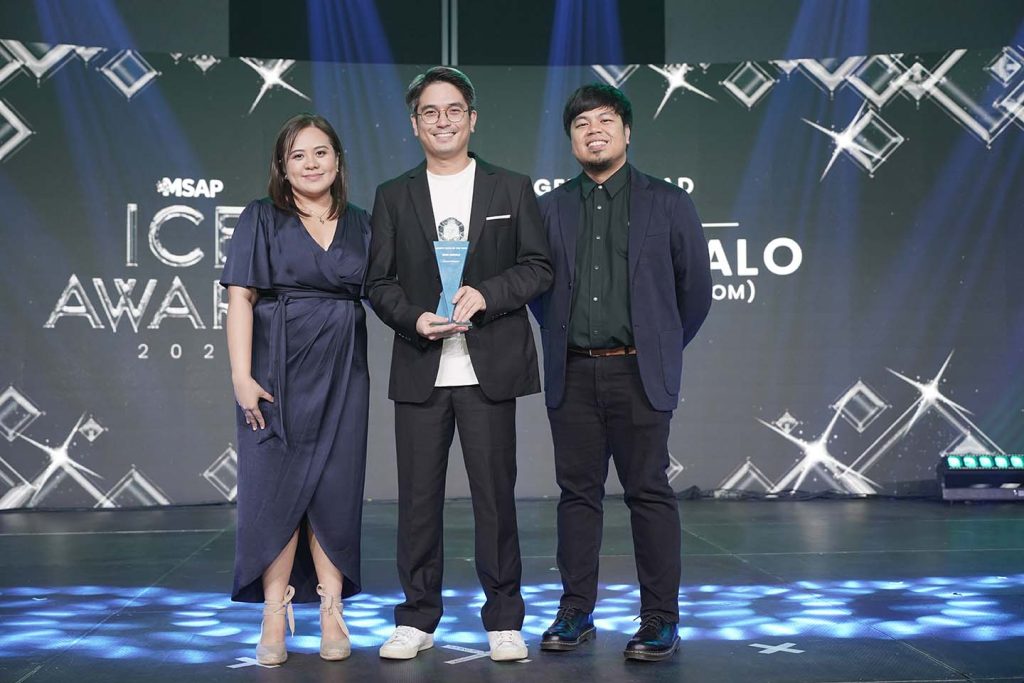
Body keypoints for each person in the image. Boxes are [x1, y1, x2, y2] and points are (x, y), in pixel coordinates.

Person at [365, 66, 552, 662]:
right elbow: (378, 282)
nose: (441, 121)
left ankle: (504, 620)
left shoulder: (511, 188)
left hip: (487, 368)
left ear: (472, 119)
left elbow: (538, 266)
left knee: (496, 500)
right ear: (414, 124)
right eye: (430, 112)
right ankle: (417, 618)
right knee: (418, 502)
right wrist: (414, 318)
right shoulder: (393, 195)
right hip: (422, 366)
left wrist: (488, 294)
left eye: (453, 110)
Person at [531, 84, 712, 662]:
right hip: (573, 373)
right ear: (571, 139)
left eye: (606, 120)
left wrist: (657, 347)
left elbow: (695, 292)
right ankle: (575, 611)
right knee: (576, 496)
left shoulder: (668, 203)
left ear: (627, 132)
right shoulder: (550, 209)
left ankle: (660, 618)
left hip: (639, 372)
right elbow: (539, 292)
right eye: (582, 123)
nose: (595, 131)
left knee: (649, 493)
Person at [222, 113, 370, 666]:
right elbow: (241, 298)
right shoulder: (261, 217)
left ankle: (332, 608)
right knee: (275, 493)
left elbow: (390, 291)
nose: (311, 164)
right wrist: (241, 376)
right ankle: (273, 613)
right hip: (275, 373)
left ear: (338, 160)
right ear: (282, 167)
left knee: (335, 489)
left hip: (343, 372)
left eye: (320, 152)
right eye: (298, 155)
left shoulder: (363, 222)